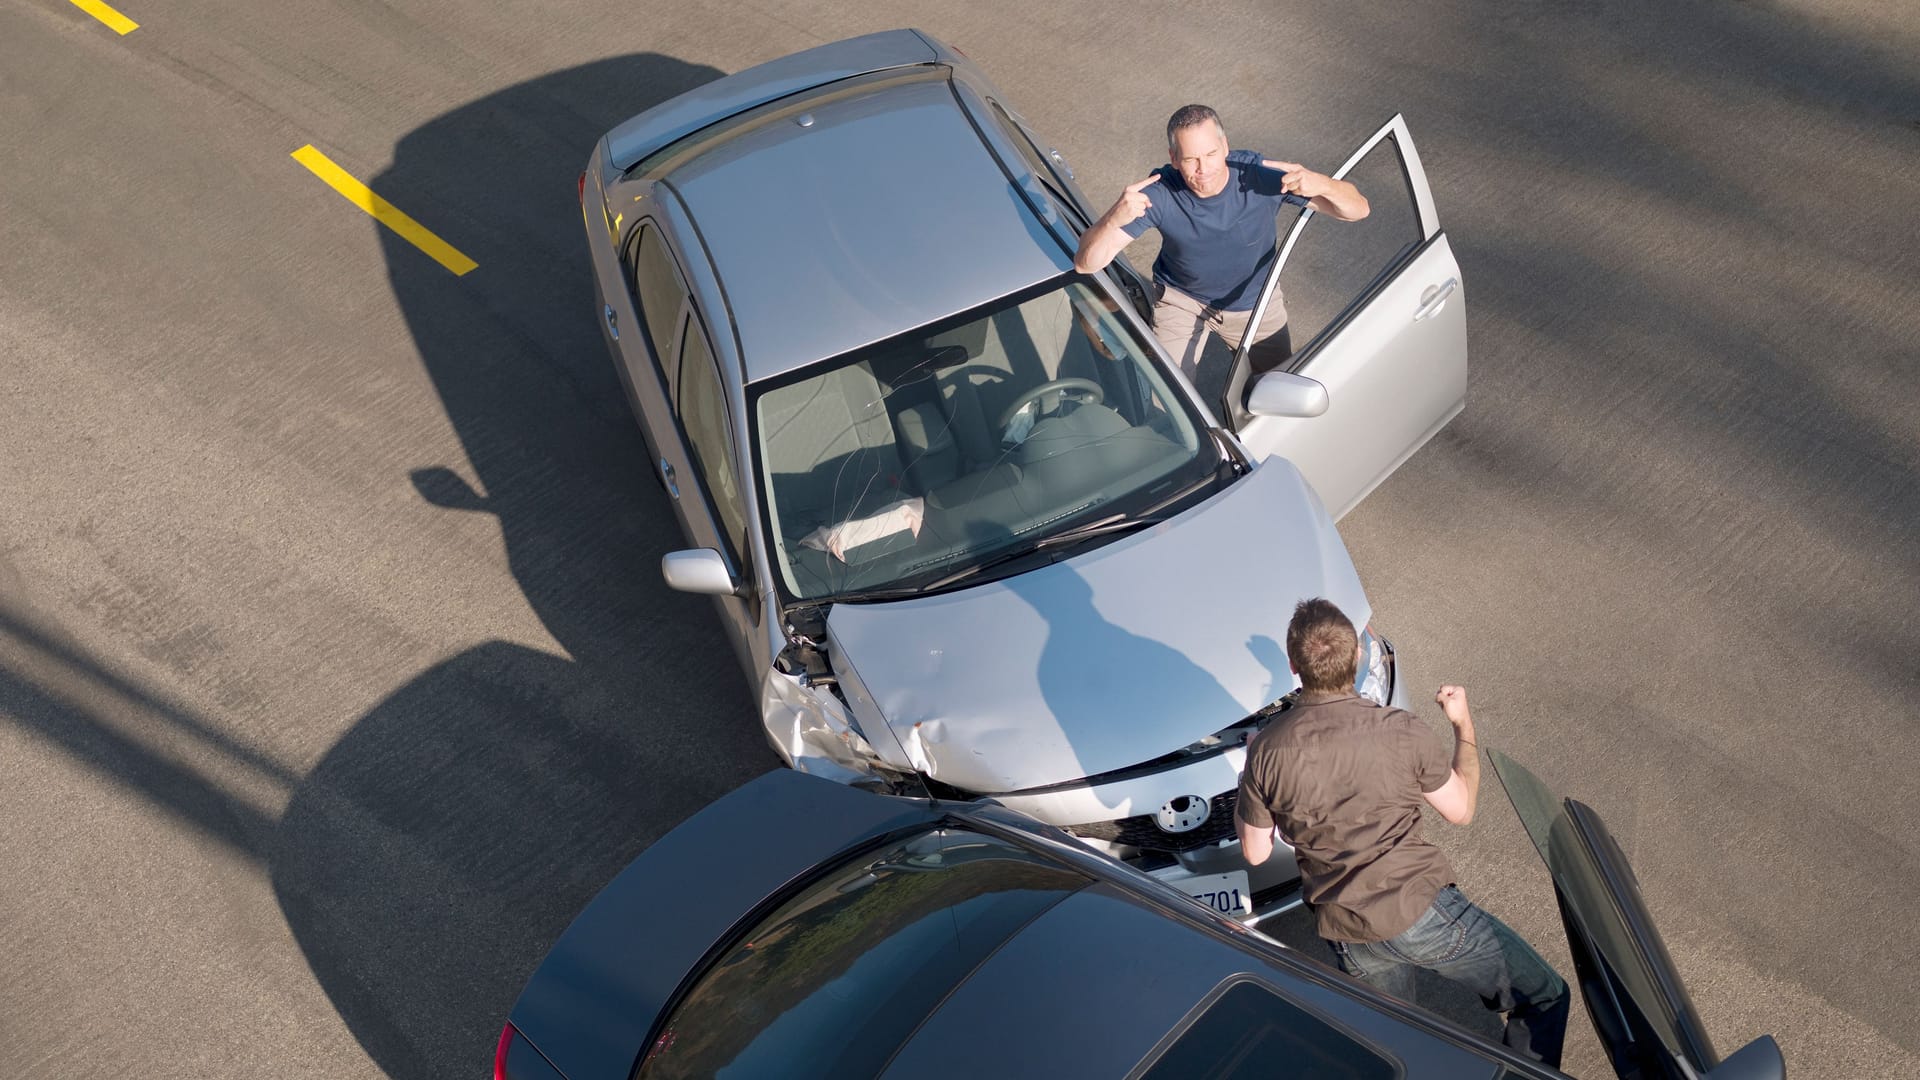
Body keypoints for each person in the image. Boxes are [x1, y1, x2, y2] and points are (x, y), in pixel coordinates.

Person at [1235, 598, 1571, 1067]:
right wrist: (1461, 724)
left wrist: (1254, 768)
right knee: (1544, 995)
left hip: (1346, 928)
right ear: (1356, 658)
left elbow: (1254, 852)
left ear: (1294, 666)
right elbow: (1461, 809)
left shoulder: (1267, 751)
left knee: (1393, 1043)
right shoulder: (1401, 731)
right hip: (1421, 911)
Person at [1073, 104, 1370, 383]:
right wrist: (1113, 218)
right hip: (1183, 301)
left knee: (1278, 387)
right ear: (1174, 158)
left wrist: (1323, 184)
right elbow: (1086, 263)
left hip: (1255, 302)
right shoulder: (1158, 194)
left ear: (1225, 147)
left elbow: (1359, 210)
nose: (1203, 168)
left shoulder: (1260, 176)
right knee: (1170, 396)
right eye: (1190, 159)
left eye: (1211, 154)